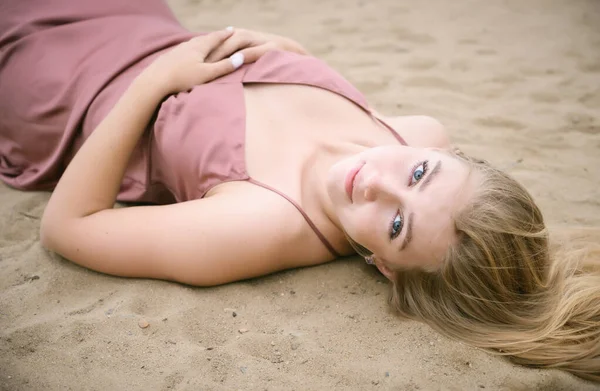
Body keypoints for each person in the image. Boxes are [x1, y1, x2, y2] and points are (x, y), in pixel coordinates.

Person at [0, 0, 598, 382]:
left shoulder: (260, 224)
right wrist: (285, 46)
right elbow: (300, 82)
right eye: (420, 174)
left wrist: (156, 82)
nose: (378, 183)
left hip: (60, 83)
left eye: (396, 226)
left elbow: (68, 227)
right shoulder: (416, 130)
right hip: (138, 20)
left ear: (386, 268)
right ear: (444, 155)